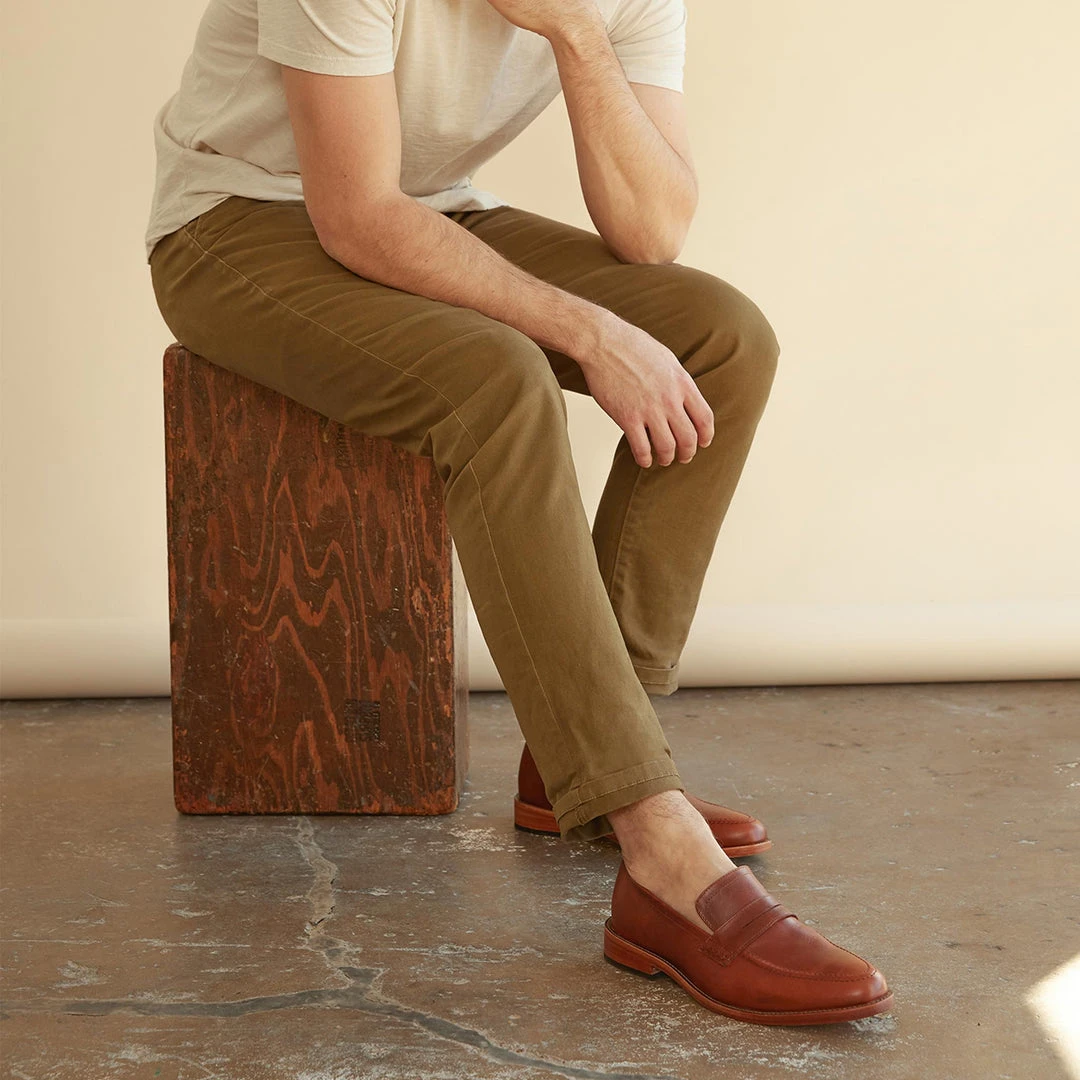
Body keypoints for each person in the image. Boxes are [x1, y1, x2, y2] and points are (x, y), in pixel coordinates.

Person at [146, 0, 893, 1025]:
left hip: (428, 210)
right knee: (498, 382)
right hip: (236, 225)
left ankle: (585, 757)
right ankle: (656, 844)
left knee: (724, 341)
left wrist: (575, 33)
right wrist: (591, 333)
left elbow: (652, 229)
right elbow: (354, 214)